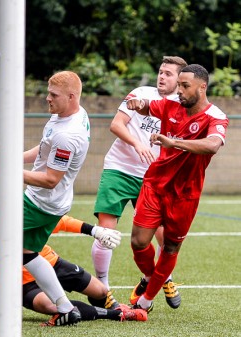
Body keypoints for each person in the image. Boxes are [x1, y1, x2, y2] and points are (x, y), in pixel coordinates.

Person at [0, 71, 121, 326]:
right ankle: (65, 308)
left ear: (72, 96)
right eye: (48, 92)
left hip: (40, 202)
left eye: (53, 95)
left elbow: (51, 179)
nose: (47, 99)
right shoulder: (69, 115)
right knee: (27, 253)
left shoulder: (67, 134)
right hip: (53, 202)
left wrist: (9, 171)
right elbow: (43, 151)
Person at [0, 185, 145, 326]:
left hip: (51, 264)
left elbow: (62, 222)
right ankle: (116, 314)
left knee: (100, 290)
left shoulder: (19, 217)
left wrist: (94, 230)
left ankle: (112, 305)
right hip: (21, 286)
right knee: (52, 307)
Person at [125, 64, 228, 312]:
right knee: (138, 242)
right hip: (155, 185)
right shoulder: (170, 105)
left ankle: (146, 301)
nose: (178, 91)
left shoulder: (216, 116)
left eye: (185, 86)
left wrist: (174, 142)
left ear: (202, 87)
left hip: (185, 195)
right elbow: (146, 106)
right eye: (178, 85)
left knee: (170, 247)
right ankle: (151, 278)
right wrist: (136, 103)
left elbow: (213, 145)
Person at [91, 56, 188, 309]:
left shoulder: (182, 106)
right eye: (161, 71)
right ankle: (103, 290)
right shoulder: (140, 93)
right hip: (119, 169)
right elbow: (116, 124)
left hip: (154, 176)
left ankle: (161, 277)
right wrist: (137, 143)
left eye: (168, 73)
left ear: (180, 80)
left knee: (164, 238)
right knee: (106, 233)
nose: (162, 76)